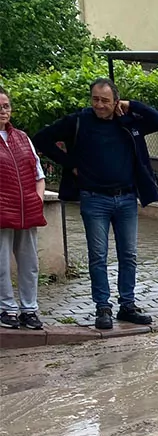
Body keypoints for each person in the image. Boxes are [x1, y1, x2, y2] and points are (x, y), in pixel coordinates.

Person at [33, 78, 158, 330]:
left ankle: (127, 305)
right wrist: (69, 162)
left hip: (127, 198)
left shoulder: (127, 121)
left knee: (129, 255)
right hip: (94, 199)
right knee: (98, 257)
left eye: (105, 100)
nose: (99, 105)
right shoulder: (79, 121)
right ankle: (102, 308)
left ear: (116, 101)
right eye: (95, 99)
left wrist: (132, 105)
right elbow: (41, 139)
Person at [0, 86, 48, 330]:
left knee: (30, 264)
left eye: (6, 106)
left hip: (27, 210)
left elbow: (38, 173)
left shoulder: (22, 137)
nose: (3, 111)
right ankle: (6, 309)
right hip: (1, 212)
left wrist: (37, 199)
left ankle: (29, 309)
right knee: (1, 264)